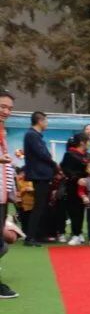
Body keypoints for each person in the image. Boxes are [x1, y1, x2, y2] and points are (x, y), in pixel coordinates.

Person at [23, 110, 57, 247]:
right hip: (39, 175)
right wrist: (54, 164)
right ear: (40, 121)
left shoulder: (35, 135)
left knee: (41, 206)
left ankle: (38, 234)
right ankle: (30, 237)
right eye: (46, 121)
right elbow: (43, 154)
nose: (47, 124)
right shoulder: (32, 135)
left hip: (42, 175)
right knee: (38, 206)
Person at [0, 90, 18, 298]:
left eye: (9, 108)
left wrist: (12, 192)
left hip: (3, 197)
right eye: (2, 107)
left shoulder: (2, 132)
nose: (6, 111)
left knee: (4, 241)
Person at [60, 134, 89, 246]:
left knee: (82, 210)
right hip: (73, 186)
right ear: (82, 142)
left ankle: (79, 232)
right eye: (87, 141)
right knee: (74, 210)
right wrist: (77, 178)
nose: (88, 143)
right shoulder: (69, 154)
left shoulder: (86, 155)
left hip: (85, 186)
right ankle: (75, 234)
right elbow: (66, 169)